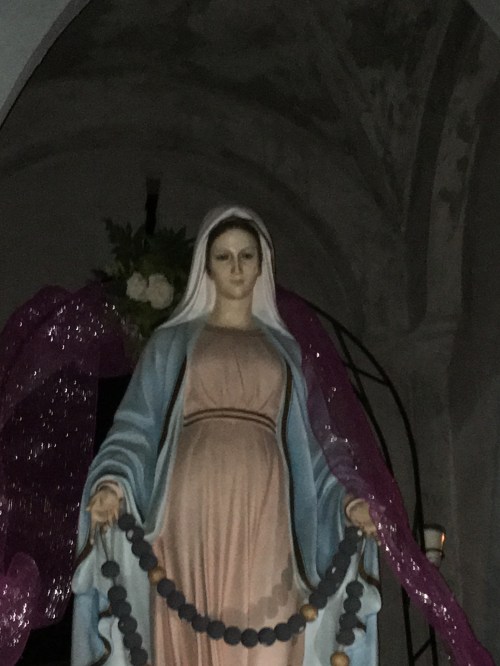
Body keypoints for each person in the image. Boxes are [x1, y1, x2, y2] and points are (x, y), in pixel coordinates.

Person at [71, 205, 380, 666]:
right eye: (224, 256)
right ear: (207, 267)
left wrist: (346, 499)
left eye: (246, 256)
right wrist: (114, 480)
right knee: (189, 621)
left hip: (268, 510)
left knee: (272, 633)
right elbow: (137, 426)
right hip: (189, 508)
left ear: (262, 265)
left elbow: (317, 446)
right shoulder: (171, 343)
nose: (236, 267)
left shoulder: (289, 352)